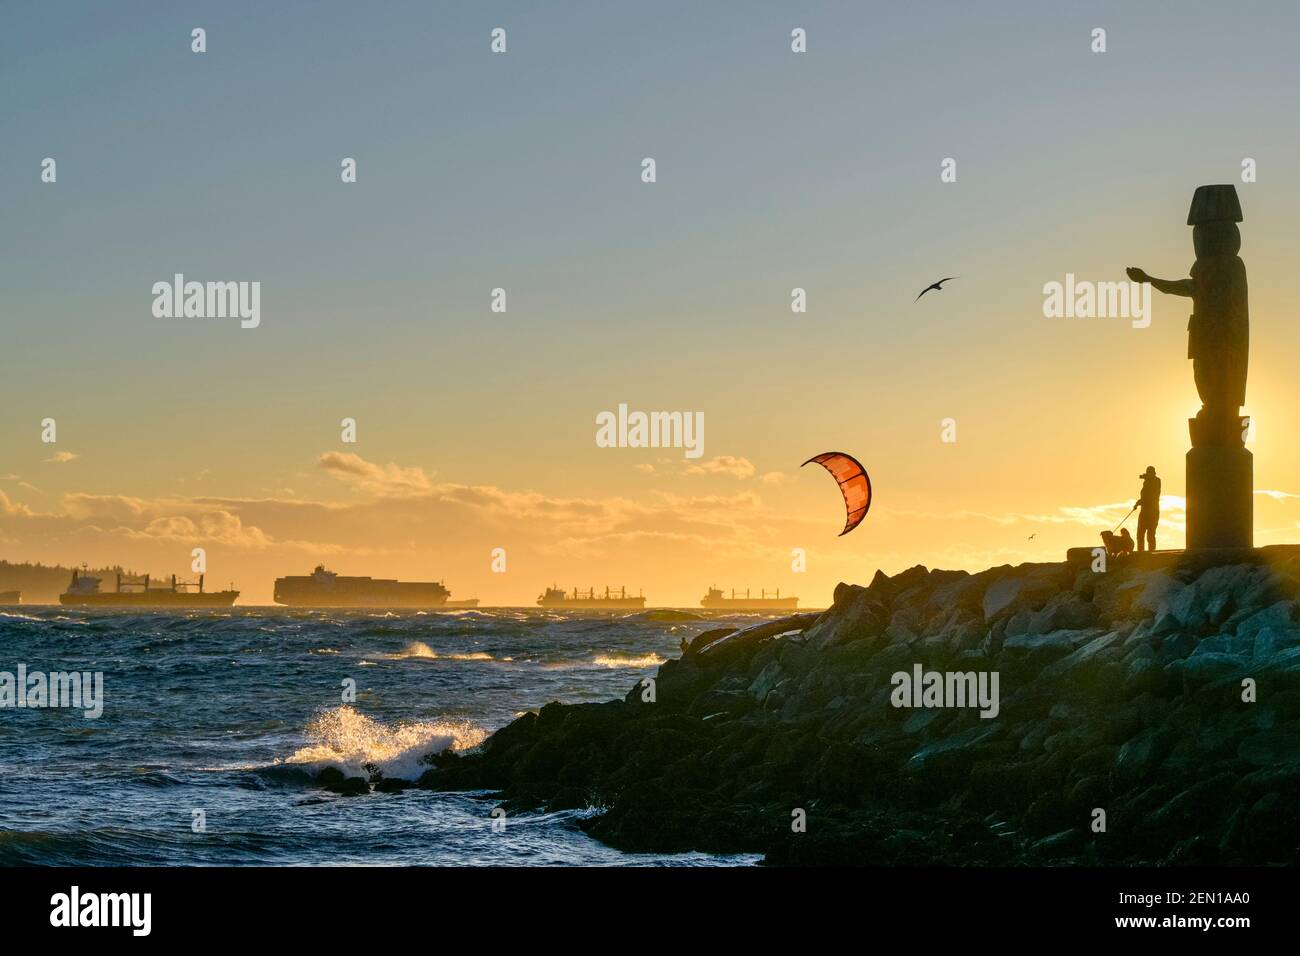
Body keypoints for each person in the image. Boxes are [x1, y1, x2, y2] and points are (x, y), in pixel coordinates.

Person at [1136, 466, 1161, 552]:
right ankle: (1141, 552)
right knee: (1141, 534)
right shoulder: (1148, 482)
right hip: (1145, 511)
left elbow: (1151, 496)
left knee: (1150, 534)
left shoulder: (1155, 481)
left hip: (1152, 512)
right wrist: (1139, 502)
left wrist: (1140, 502)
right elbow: (1145, 497)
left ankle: (1150, 552)